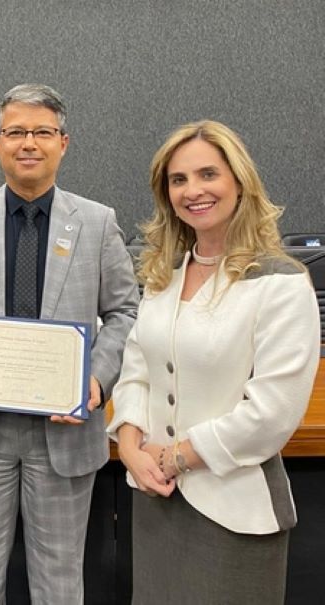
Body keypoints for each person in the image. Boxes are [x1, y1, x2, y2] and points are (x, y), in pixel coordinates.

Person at [0, 83, 139, 605]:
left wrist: (97, 379)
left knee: (60, 584)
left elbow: (127, 311)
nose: (29, 143)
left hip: (63, 434)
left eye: (43, 132)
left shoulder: (98, 222)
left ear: (64, 142)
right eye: (16, 132)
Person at [107, 120, 320, 604]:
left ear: (239, 182)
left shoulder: (281, 283)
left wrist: (178, 457)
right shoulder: (163, 276)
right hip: (156, 501)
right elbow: (137, 368)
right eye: (178, 180)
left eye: (208, 174)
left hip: (233, 511)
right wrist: (130, 444)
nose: (193, 191)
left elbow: (272, 413)